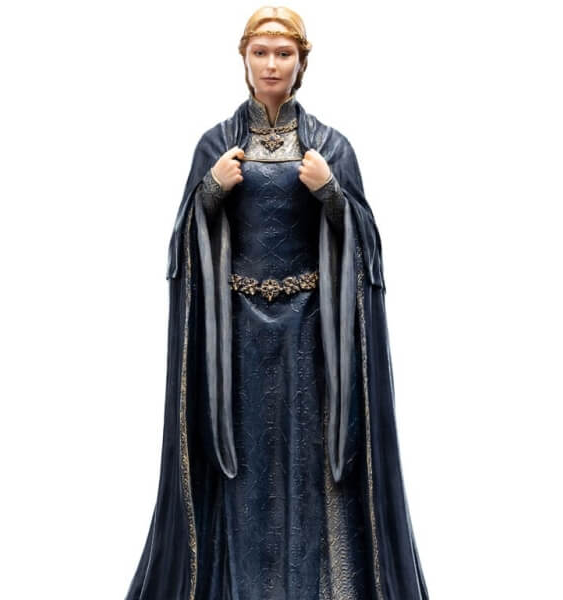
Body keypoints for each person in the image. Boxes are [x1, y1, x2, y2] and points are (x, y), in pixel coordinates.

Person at [124, 6, 429, 600]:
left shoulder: (330, 147)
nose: (271, 64)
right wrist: (209, 192)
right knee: (242, 464)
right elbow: (182, 246)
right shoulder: (216, 145)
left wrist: (331, 194)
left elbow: (367, 248)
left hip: (312, 336)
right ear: (243, 59)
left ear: (301, 63)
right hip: (235, 338)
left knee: (309, 463)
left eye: (283, 53)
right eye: (260, 52)